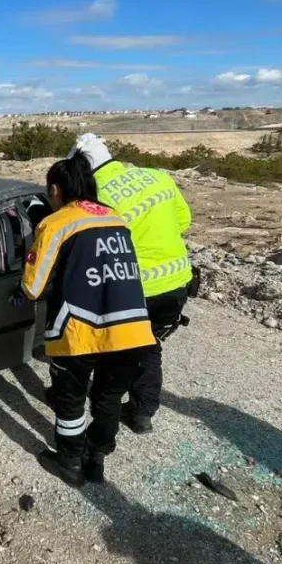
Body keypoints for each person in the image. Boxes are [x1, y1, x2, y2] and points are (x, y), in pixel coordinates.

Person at [13, 152, 157, 484]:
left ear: (55, 189)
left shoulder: (56, 223)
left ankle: (69, 464)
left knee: (71, 402)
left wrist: (22, 284)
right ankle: (97, 459)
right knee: (108, 400)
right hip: (133, 330)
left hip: (79, 330)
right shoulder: (115, 218)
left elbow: (33, 288)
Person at [68, 133, 193, 435]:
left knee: (112, 351)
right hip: (177, 283)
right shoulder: (157, 177)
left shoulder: (95, 197)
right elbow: (184, 221)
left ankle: (99, 413)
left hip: (133, 289)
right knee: (150, 348)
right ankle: (141, 413)